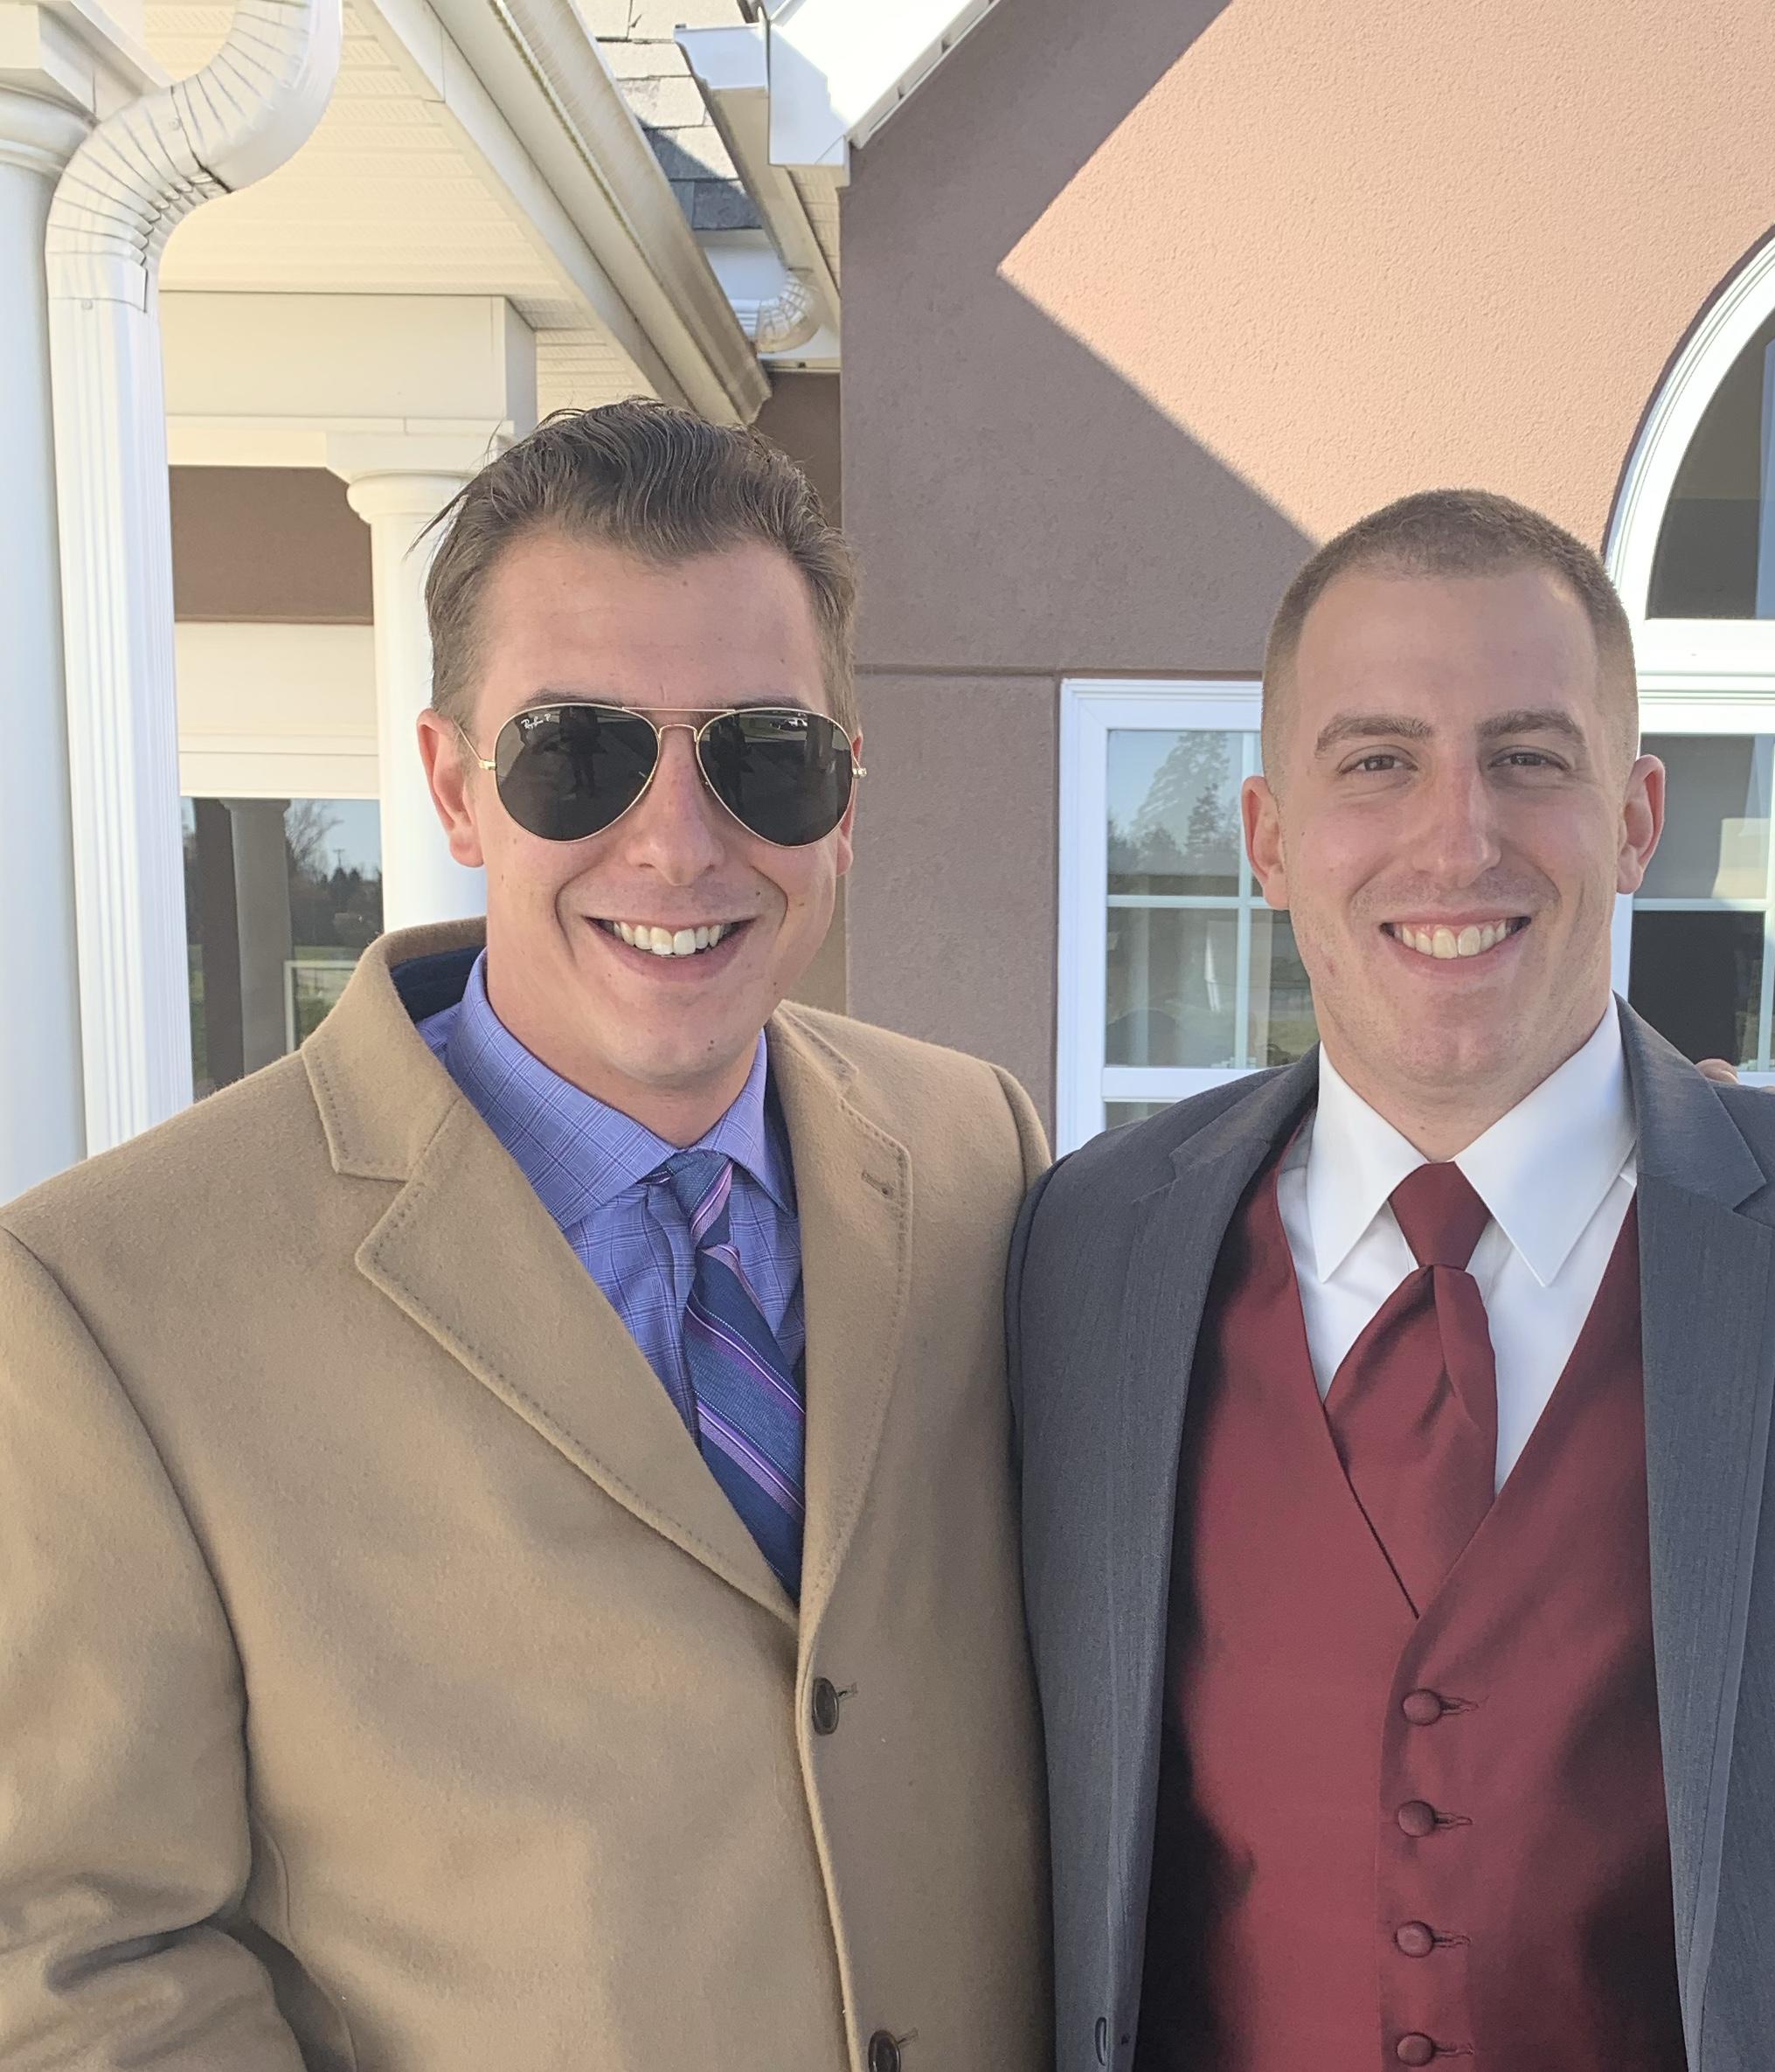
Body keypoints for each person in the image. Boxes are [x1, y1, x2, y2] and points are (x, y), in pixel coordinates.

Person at [0, 401, 1049, 2071]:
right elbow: (77, 1953)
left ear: (844, 797)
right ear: (454, 786)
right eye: (580, 753)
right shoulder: (105, 1300)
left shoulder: (978, 1150)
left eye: (765, 756)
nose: (679, 843)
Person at [1008, 489, 1775, 2072]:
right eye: (1378, 761)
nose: (1459, 840)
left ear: (1637, 818)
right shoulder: (1082, 1254)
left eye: (1528, 758)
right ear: (1269, 837)